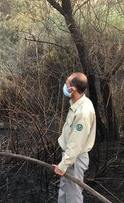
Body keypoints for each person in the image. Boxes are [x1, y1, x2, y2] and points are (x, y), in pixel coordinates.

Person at [53, 72, 96, 203]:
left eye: (67, 83)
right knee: (64, 193)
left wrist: (63, 165)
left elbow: (76, 144)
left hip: (75, 159)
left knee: (73, 197)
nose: (64, 86)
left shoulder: (83, 112)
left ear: (73, 89)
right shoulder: (77, 104)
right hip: (69, 157)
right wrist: (64, 162)